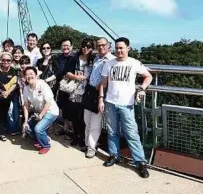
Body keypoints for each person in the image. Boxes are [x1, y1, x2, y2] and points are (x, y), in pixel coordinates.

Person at [98, 37, 153, 178]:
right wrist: (101, 99)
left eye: (122, 48)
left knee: (131, 133)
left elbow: (148, 76)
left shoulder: (134, 63)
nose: (119, 50)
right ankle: (114, 155)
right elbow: (103, 83)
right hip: (110, 102)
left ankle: (140, 162)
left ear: (128, 48)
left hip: (127, 104)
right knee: (112, 131)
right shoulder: (108, 63)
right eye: (117, 48)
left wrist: (142, 88)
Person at [84, 37, 115, 158]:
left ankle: (92, 147)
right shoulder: (97, 58)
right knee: (87, 120)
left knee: (95, 123)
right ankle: (87, 144)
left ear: (108, 46)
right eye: (99, 45)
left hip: (101, 93)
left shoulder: (112, 60)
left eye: (103, 45)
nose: (101, 47)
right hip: (90, 91)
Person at [22, 67, 59, 154]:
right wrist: (25, 121)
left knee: (38, 129)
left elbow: (48, 103)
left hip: (50, 111)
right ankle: (42, 138)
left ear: (36, 75)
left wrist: (41, 116)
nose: (29, 76)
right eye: (26, 74)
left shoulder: (42, 84)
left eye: (31, 74)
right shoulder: (26, 88)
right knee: (27, 128)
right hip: (39, 112)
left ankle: (46, 145)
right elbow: (26, 105)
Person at [65, 38, 94, 149]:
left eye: (88, 46)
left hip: (87, 93)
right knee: (75, 117)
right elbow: (67, 72)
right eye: (84, 46)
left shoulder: (94, 60)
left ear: (92, 48)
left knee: (83, 118)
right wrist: (76, 77)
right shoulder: (75, 59)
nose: (85, 48)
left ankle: (82, 138)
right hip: (75, 91)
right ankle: (76, 137)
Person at [0, 52, 19, 139]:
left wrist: (7, 92)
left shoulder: (13, 70)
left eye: (8, 60)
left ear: (11, 61)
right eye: (3, 59)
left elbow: (15, 83)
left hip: (7, 95)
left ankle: (1, 132)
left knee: (4, 113)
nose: (6, 62)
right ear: (0, 60)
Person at [55, 38, 74, 137]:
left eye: (67, 45)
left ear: (71, 46)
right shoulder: (59, 58)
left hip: (73, 87)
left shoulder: (75, 57)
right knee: (64, 109)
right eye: (63, 45)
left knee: (73, 109)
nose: (65, 47)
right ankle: (65, 128)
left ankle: (73, 131)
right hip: (62, 87)